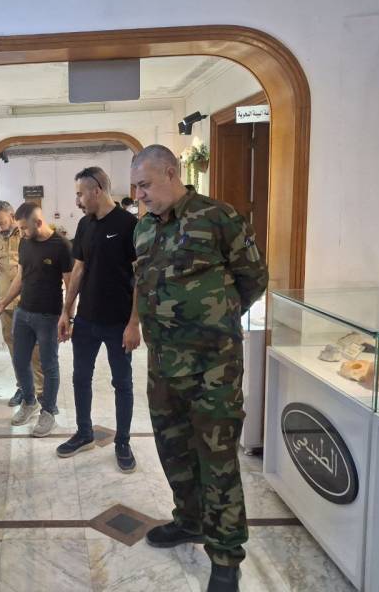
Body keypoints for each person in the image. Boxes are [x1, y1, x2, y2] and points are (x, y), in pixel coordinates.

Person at [130, 145, 268, 592]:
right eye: (136, 187)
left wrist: (218, 319)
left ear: (171, 173)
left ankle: (226, 557)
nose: (139, 194)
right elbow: (142, 284)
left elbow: (254, 278)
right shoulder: (144, 229)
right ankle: (188, 521)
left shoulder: (218, 217)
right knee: (174, 450)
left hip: (213, 367)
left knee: (217, 460)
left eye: (145, 185)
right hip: (162, 366)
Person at [55, 167, 140, 474]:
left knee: (122, 383)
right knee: (80, 378)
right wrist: (66, 311)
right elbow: (78, 270)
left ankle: (123, 442)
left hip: (119, 322)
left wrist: (134, 323)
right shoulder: (84, 224)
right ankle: (84, 433)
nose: (77, 200)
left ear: (97, 190)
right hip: (87, 321)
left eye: (80, 194)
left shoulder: (130, 225)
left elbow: (140, 277)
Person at [0, 203, 73, 437]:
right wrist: (4, 302)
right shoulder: (25, 242)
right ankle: (29, 401)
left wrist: (68, 316)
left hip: (48, 316)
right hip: (23, 313)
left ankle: (48, 412)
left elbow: (70, 285)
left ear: (38, 222)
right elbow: (20, 277)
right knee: (19, 361)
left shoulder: (61, 246)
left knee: (48, 365)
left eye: (24, 228)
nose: (22, 233)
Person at [0, 201, 44, 407]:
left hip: (29, 302)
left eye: (2, 222)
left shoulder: (27, 234)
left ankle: (41, 391)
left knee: (35, 350)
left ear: (11, 215)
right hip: (6, 304)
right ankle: (23, 388)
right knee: (15, 350)